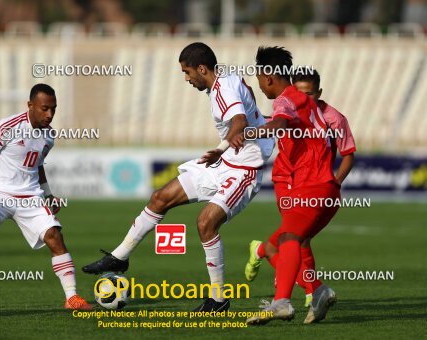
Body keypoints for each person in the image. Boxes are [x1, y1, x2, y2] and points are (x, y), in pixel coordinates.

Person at [82, 42, 274, 312]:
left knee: (205, 224)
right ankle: (119, 257)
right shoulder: (227, 80)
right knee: (160, 198)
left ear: (202, 68)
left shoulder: (223, 90)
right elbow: (249, 100)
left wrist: (219, 149)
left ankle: (218, 299)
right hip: (226, 162)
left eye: (187, 72)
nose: (186, 78)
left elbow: (239, 122)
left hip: (244, 169)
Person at [233, 46, 340, 325]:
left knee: (288, 239)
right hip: (328, 190)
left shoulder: (285, 100)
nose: (260, 85)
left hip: (309, 186)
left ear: (268, 77)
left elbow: (280, 121)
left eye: (259, 79)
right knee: (277, 244)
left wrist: (250, 133)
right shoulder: (304, 101)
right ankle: (316, 290)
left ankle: (281, 302)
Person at [0, 84, 91, 310]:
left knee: (54, 235)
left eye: (53, 109)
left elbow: (38, 165)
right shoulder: (8, 126)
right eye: (44, 108)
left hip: (30, 195)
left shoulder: (49, 135)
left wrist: (49, 195)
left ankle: (71, 297)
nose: (50, 114)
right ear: (30, 105)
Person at [245, 68, 357, 309]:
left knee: (295, 238)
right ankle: (309, 290)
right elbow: (274, 121)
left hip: (313, 184)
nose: (307, 98)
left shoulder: (334, 118)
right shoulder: (288, 106)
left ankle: (265, 254)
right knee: (294, 238)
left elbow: (348, 153)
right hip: (286, 179)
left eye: (312, 93)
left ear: (320, 92)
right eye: (302, 92)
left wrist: (335, 181)